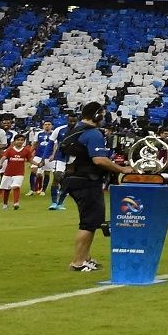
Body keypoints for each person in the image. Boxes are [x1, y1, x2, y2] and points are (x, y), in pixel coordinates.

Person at [59, 102, 131, 273]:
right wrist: (122, 169)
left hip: (72, 178)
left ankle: (86, 258)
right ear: (97, 115)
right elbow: (99, 159)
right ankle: (78, 262)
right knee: (89, 223)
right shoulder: (93, 133)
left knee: (89, 220)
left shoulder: (74, 130)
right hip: (86, 181)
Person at [0, 133, 33, 210]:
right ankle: (5, 204)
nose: (20, 141)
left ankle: (16, 203)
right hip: (8, 172)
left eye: (22, 140)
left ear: (24, 141)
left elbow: (30, 160)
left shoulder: (26, 150)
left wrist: (38, 164)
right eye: (18, 140)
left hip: (19, 172)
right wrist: (0, 163)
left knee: (16, 186)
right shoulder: (10, 149)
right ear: (14, 141)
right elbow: (4, 157)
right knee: (6, 189)